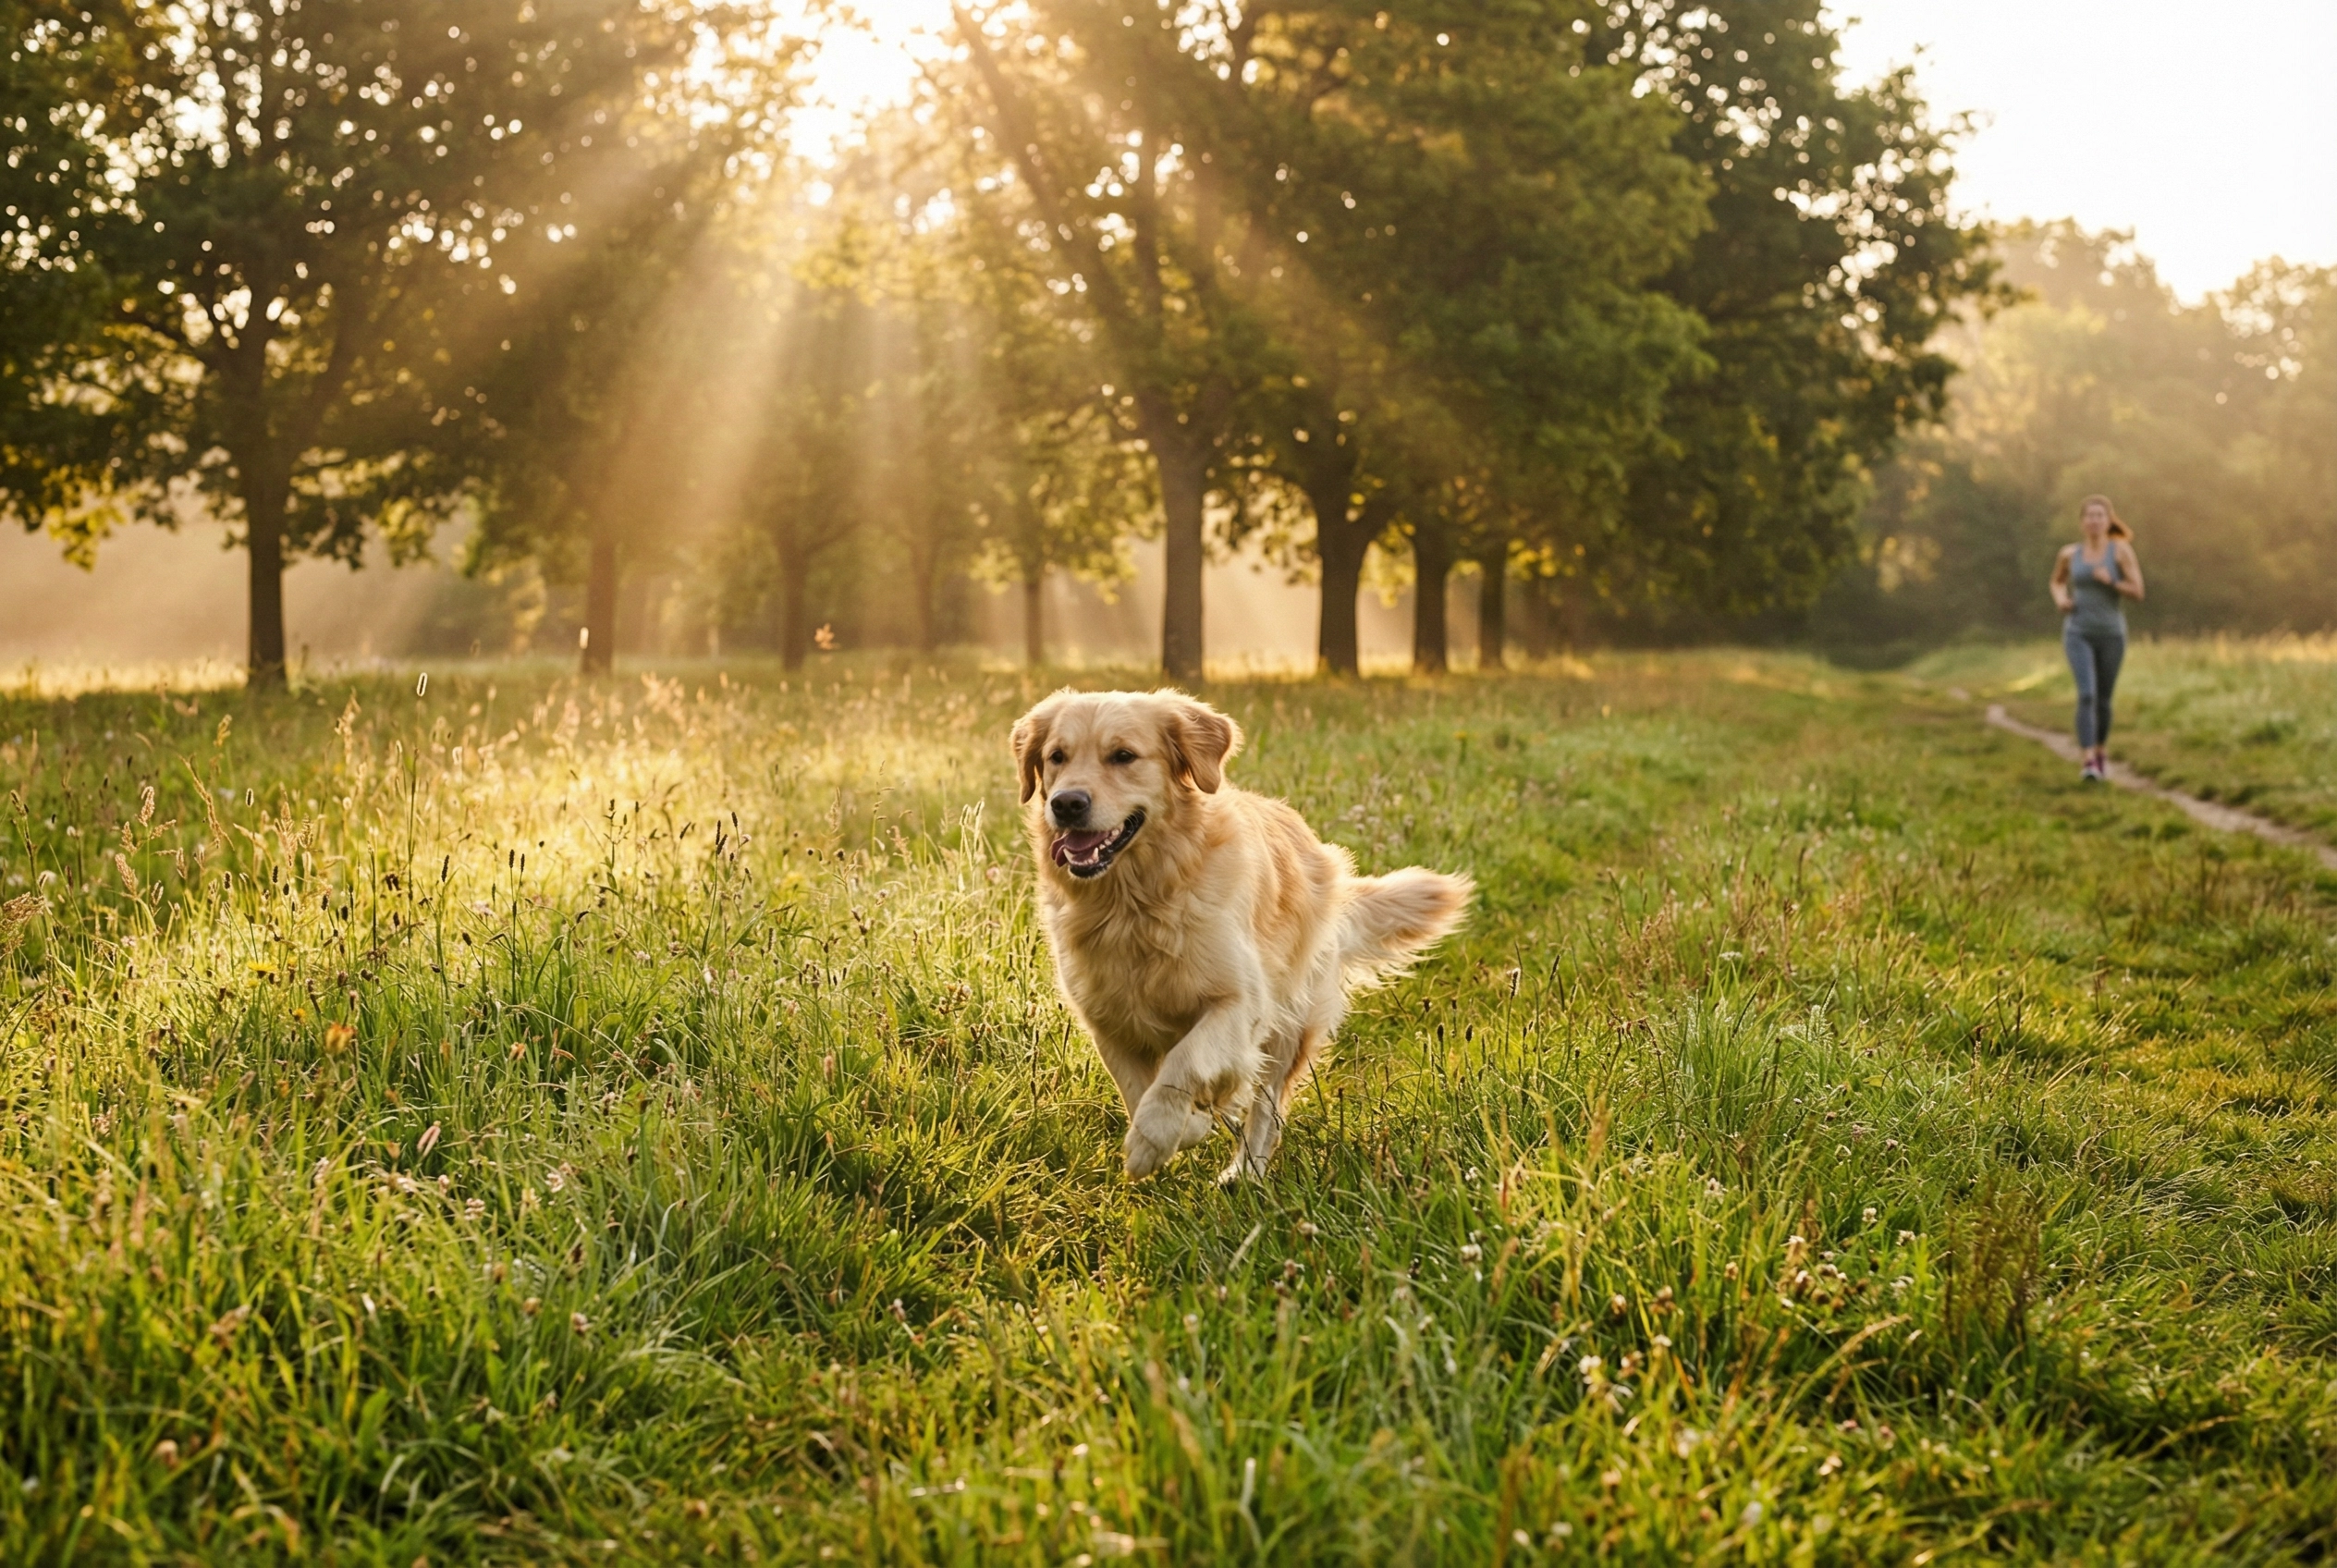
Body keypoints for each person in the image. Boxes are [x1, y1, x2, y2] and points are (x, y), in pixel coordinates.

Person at [2049, 495, 2145, 781]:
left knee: (2103, 699)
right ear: (2081, 523)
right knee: (2087, 695)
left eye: (2099, 516)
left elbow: (2138, 592)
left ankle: (2101, 751)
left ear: (2108, 520)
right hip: (2078, 631)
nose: (2094, 520)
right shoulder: (2069, 554)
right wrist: (2061, 599)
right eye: (2089, 516)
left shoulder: (2120, 552)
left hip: (2112, 634)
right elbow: (2056, 581)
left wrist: (2111, 581)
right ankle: (2088, 760)